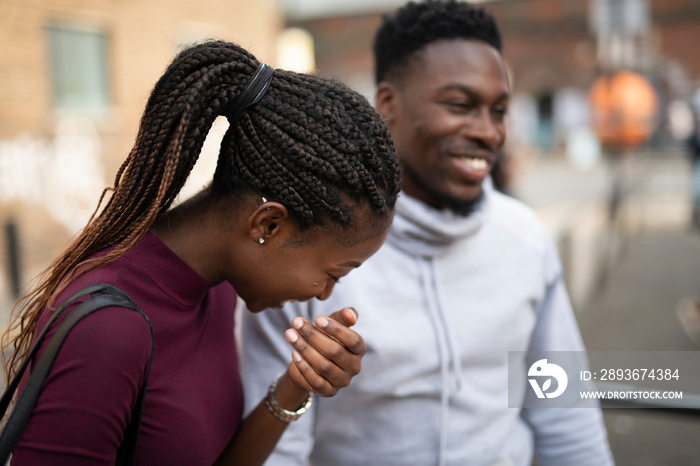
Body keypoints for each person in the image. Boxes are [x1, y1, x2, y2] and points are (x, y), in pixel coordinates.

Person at [240, 1, 614, 465]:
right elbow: (279, 452)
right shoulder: (309, 256)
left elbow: (564, 414)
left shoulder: (525, 239)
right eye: (460, 105)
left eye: (499, 110)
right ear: (388, 105)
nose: (487, 132)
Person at [1, 40, 400, 465]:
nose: (324, 294)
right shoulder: (108, 329)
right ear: (268, 224)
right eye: (334, 273)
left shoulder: (216, 288)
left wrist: (295, 384)